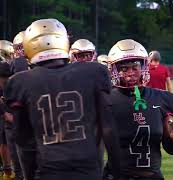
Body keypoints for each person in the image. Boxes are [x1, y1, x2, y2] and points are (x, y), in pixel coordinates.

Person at [4, 18, 120, 180]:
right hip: (88, 170)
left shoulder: (21, 82)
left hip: (49, 170)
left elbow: (24, 141)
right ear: (64, 41)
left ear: (30, 45)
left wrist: (29, 175)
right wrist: (115, 169)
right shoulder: (94, 72)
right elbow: (108, 129)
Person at [103, 39, 173, 180]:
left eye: (135, 67)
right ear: (114, 69)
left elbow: (172, 149)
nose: (130, 73)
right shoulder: (106, 100)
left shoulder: (162, 99)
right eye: (124, 68)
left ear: (144, 67)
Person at [0, 41, 16, 180]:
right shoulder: (4, 68)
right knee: (5, 140)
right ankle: (8, 171)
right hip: (5, 111)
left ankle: (8, 171)